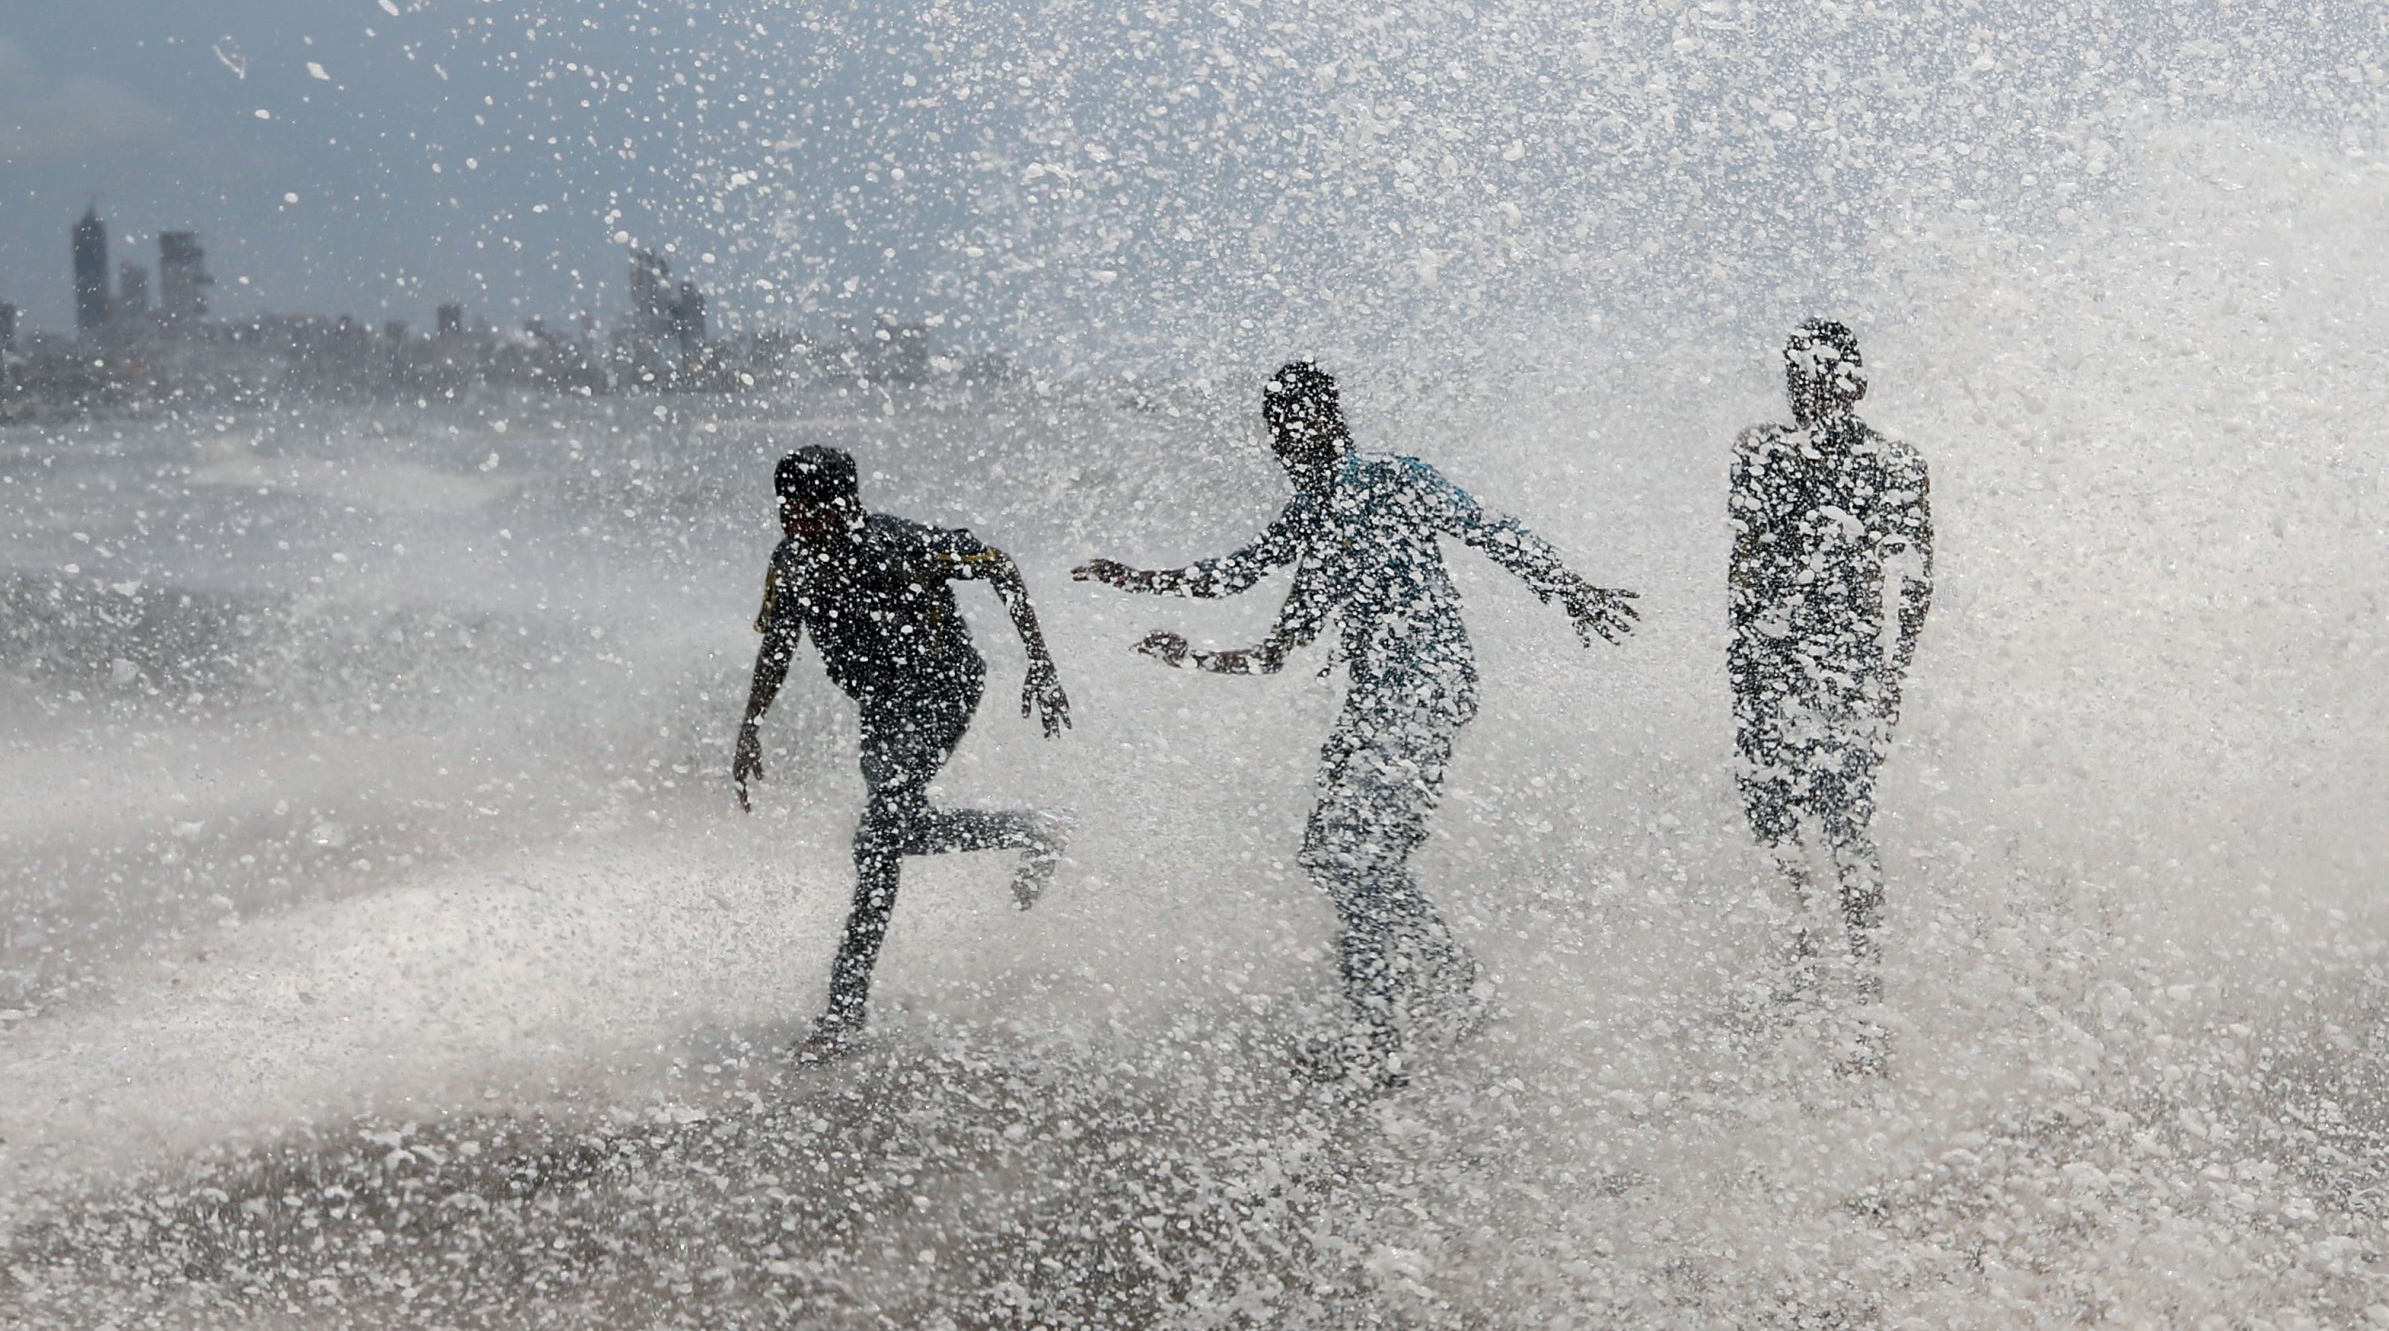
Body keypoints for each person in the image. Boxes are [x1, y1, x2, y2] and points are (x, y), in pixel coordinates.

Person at [1074, 362, 1636, 1083]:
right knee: (1344, 860)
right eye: (1276, 432)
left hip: (1423, 691)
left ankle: (1386, 1035)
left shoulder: (1387, 478)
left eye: (1293, 427)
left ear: (1329, 424)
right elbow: (1265, 633)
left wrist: (1570, 588)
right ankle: (1448, 994)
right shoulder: (1316, 517)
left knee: (1348, 858)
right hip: (1384, 702)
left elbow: (1489, 530)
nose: (1284, 445)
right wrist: (1180, 644)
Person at [733, 445, 1073, 1063]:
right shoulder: (791, 563)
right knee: (891, 834)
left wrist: (1041, 665)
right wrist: (751, 723)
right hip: (882, 709)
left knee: (879, 837)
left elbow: (1000, 565)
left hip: (943, 689)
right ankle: (1033, 827)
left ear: (844, 504)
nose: (792, 521)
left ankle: (842, 1016)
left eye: (805, 508)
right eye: (785, 508)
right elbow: (779, 643)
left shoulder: (901, 544)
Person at [1728, 320, 1934, 1064]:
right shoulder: (1757, 451)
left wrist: (1891, 679)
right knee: (1780, 828)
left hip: (1839, 667)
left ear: (1856, 383)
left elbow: (1914, 581)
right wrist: (1742, 664)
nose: (1804, 392)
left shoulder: (1892, 463)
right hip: (1777, 666)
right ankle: (1810, 972)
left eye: (1816, 378)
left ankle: (1866, 992)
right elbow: (1744, 563)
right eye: (1795, 379)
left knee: (1844, 829)